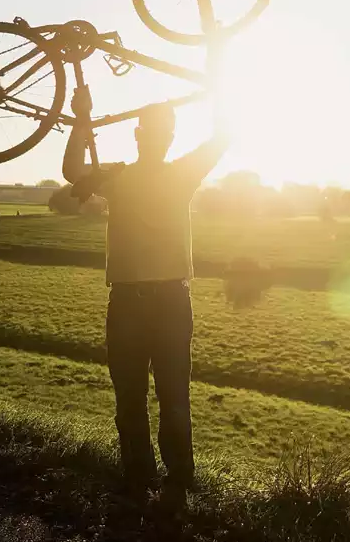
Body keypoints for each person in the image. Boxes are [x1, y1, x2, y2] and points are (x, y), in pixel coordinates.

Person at [62, 85, 227, 497]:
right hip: (128, 303)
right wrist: (81, 119)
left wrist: (220, 79)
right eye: (149, 132)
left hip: (171, 301)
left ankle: (178, 483)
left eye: (163, 132)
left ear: (170, 138)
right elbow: (71, 171)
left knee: (173, 397)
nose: (156, 138)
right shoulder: (115, 176)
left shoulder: (183, 173)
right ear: (138, 137)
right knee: (131, 397)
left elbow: (224, 137)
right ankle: (139, 477)